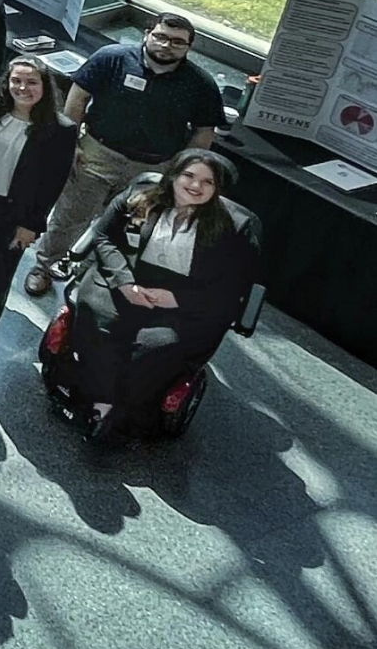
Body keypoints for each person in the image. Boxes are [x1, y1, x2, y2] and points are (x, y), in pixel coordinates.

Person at [66, 148, 262, 439]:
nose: (195, 186)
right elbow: (104, 237)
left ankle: (119, 405)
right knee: (100, 321)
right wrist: (124, 283)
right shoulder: (139, 196)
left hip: (185, 302)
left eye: (207, 182)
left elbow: (232, 289)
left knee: (153, 347)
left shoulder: (235, 228)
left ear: (217, 189)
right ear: (174, 175)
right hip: (126, 280)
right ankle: (104, 404)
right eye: (189, 176)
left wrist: (176, 299)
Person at [29, 14, 223, 296]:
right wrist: (70, 143)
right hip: (97, 154)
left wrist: (182, 171)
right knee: (70, 216)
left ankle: (90, 277)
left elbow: (205, 129)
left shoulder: (200, 84)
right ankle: (43, 267)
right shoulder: (112, 58)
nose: (167, 45)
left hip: (153, 168)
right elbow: (79, 94)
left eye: (178, 42)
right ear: (147, 34)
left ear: (189, 48)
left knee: (127, 228)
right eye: (161, 36)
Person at [0, 58, 75, 347]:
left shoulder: (60, 130)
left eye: (31, 82)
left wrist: (30, 225)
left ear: (45, 87)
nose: (22, 88)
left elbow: (53, 184)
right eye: (16, 81)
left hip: (14, 214)